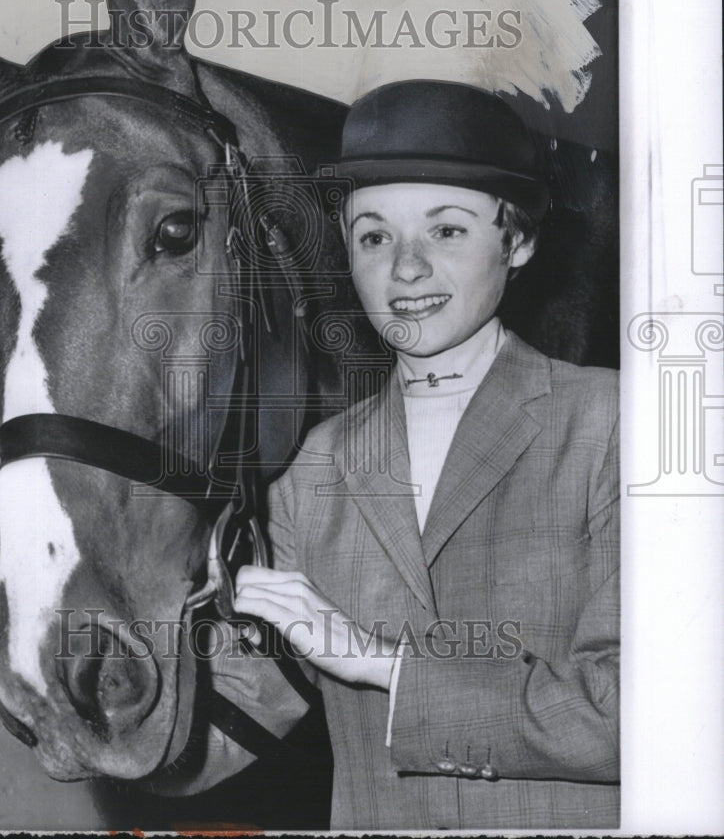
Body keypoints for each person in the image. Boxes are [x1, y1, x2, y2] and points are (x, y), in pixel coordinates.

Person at [231, 80, 620, 830]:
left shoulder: (611, 424)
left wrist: (384, 666)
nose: (404, 270)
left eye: (446, 231)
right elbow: (236, 716)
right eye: (374, 236)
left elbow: (643, 713)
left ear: (520, 240)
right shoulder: (318, 465)